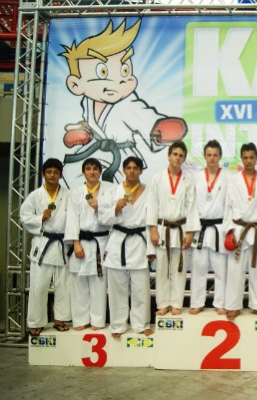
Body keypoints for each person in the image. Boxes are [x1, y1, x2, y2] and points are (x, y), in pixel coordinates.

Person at [60, 20, 186, 182]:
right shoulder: (87, 102)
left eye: (124, 71)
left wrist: (161, 127)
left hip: (123, 157)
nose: (119, 81)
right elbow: (91, 123)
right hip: (96, 152)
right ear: (75, 84)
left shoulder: (127, 103)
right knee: (72, 172)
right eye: (103, 72)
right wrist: (83, 131)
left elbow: (145, 115)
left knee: (123, 185)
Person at [99, 156, 153, 337]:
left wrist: (151, 248)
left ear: (141, 171)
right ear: (123, 170)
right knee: (117, 287)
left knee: (140, 287)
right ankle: (117, 325)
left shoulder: (149, 192)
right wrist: (116, 208)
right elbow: (102, 218)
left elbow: (153, 221)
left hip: (139, 241)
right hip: (118, 240)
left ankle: (141, 324)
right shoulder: (113, 192)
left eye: (135, 168)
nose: (132, 171)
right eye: (128, 168)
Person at [146, 141, 200, 316]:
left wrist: (190, 233)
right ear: (168, 155)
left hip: (181, 228)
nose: (177, 158)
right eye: (175, 154)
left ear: (184, 159)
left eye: (181, 155)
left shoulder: (188, 181)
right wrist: (153, 229)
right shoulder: (157, 178)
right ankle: (163, 303)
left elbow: (192, 207)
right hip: (163, 228)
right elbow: (152, 205)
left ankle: (176, 303)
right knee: (162, 268)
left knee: (179, 268)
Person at [21, 158, 71, 335]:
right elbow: (24, 216)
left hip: (62, 245)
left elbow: (74, 218)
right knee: (39, 286)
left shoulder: (68, 195)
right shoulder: (35, 195)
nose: (52, 175)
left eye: (56, 172)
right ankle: (36, 322)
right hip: (43, 244)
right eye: (49, 172)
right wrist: (40, 218)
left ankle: (60, 319)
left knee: (63, 285)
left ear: (61, 175)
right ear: (43, 174)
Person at [223, 143, 257, 320]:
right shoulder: (233, 180)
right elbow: (228, 207)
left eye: (252, 157)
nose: (249, 161)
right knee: (235, 271)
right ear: (241, 159)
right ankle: (233, 306)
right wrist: (229, 231)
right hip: (238, 229)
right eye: (245, 158)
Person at [65, 158, 112, 330]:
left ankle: (97, 320)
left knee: (99, 282)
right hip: (82, 240)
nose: (92, 172)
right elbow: (72, 219)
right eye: (88, 168)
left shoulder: (110, 190)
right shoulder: (76, 193)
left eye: (95, 169)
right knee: (79, 281)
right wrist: (75, 243)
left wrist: (99, 207)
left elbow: (114, 217)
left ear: (100, 171)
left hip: (101, 241)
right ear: (83, 172)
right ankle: (80, 320)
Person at [189, 140, 230, 315]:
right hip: (200, 228)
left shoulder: (228, 177)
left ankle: (221, 302)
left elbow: (230, 205)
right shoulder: (196, 178)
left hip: (219, 228)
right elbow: (191, 205)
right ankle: (197, 302)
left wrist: (230, 229)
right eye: (209, 155)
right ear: (204, 156)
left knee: (221, 268)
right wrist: (190, 230)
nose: (212, 158)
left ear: (220, 157)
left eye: (215, 155)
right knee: (198, 267)